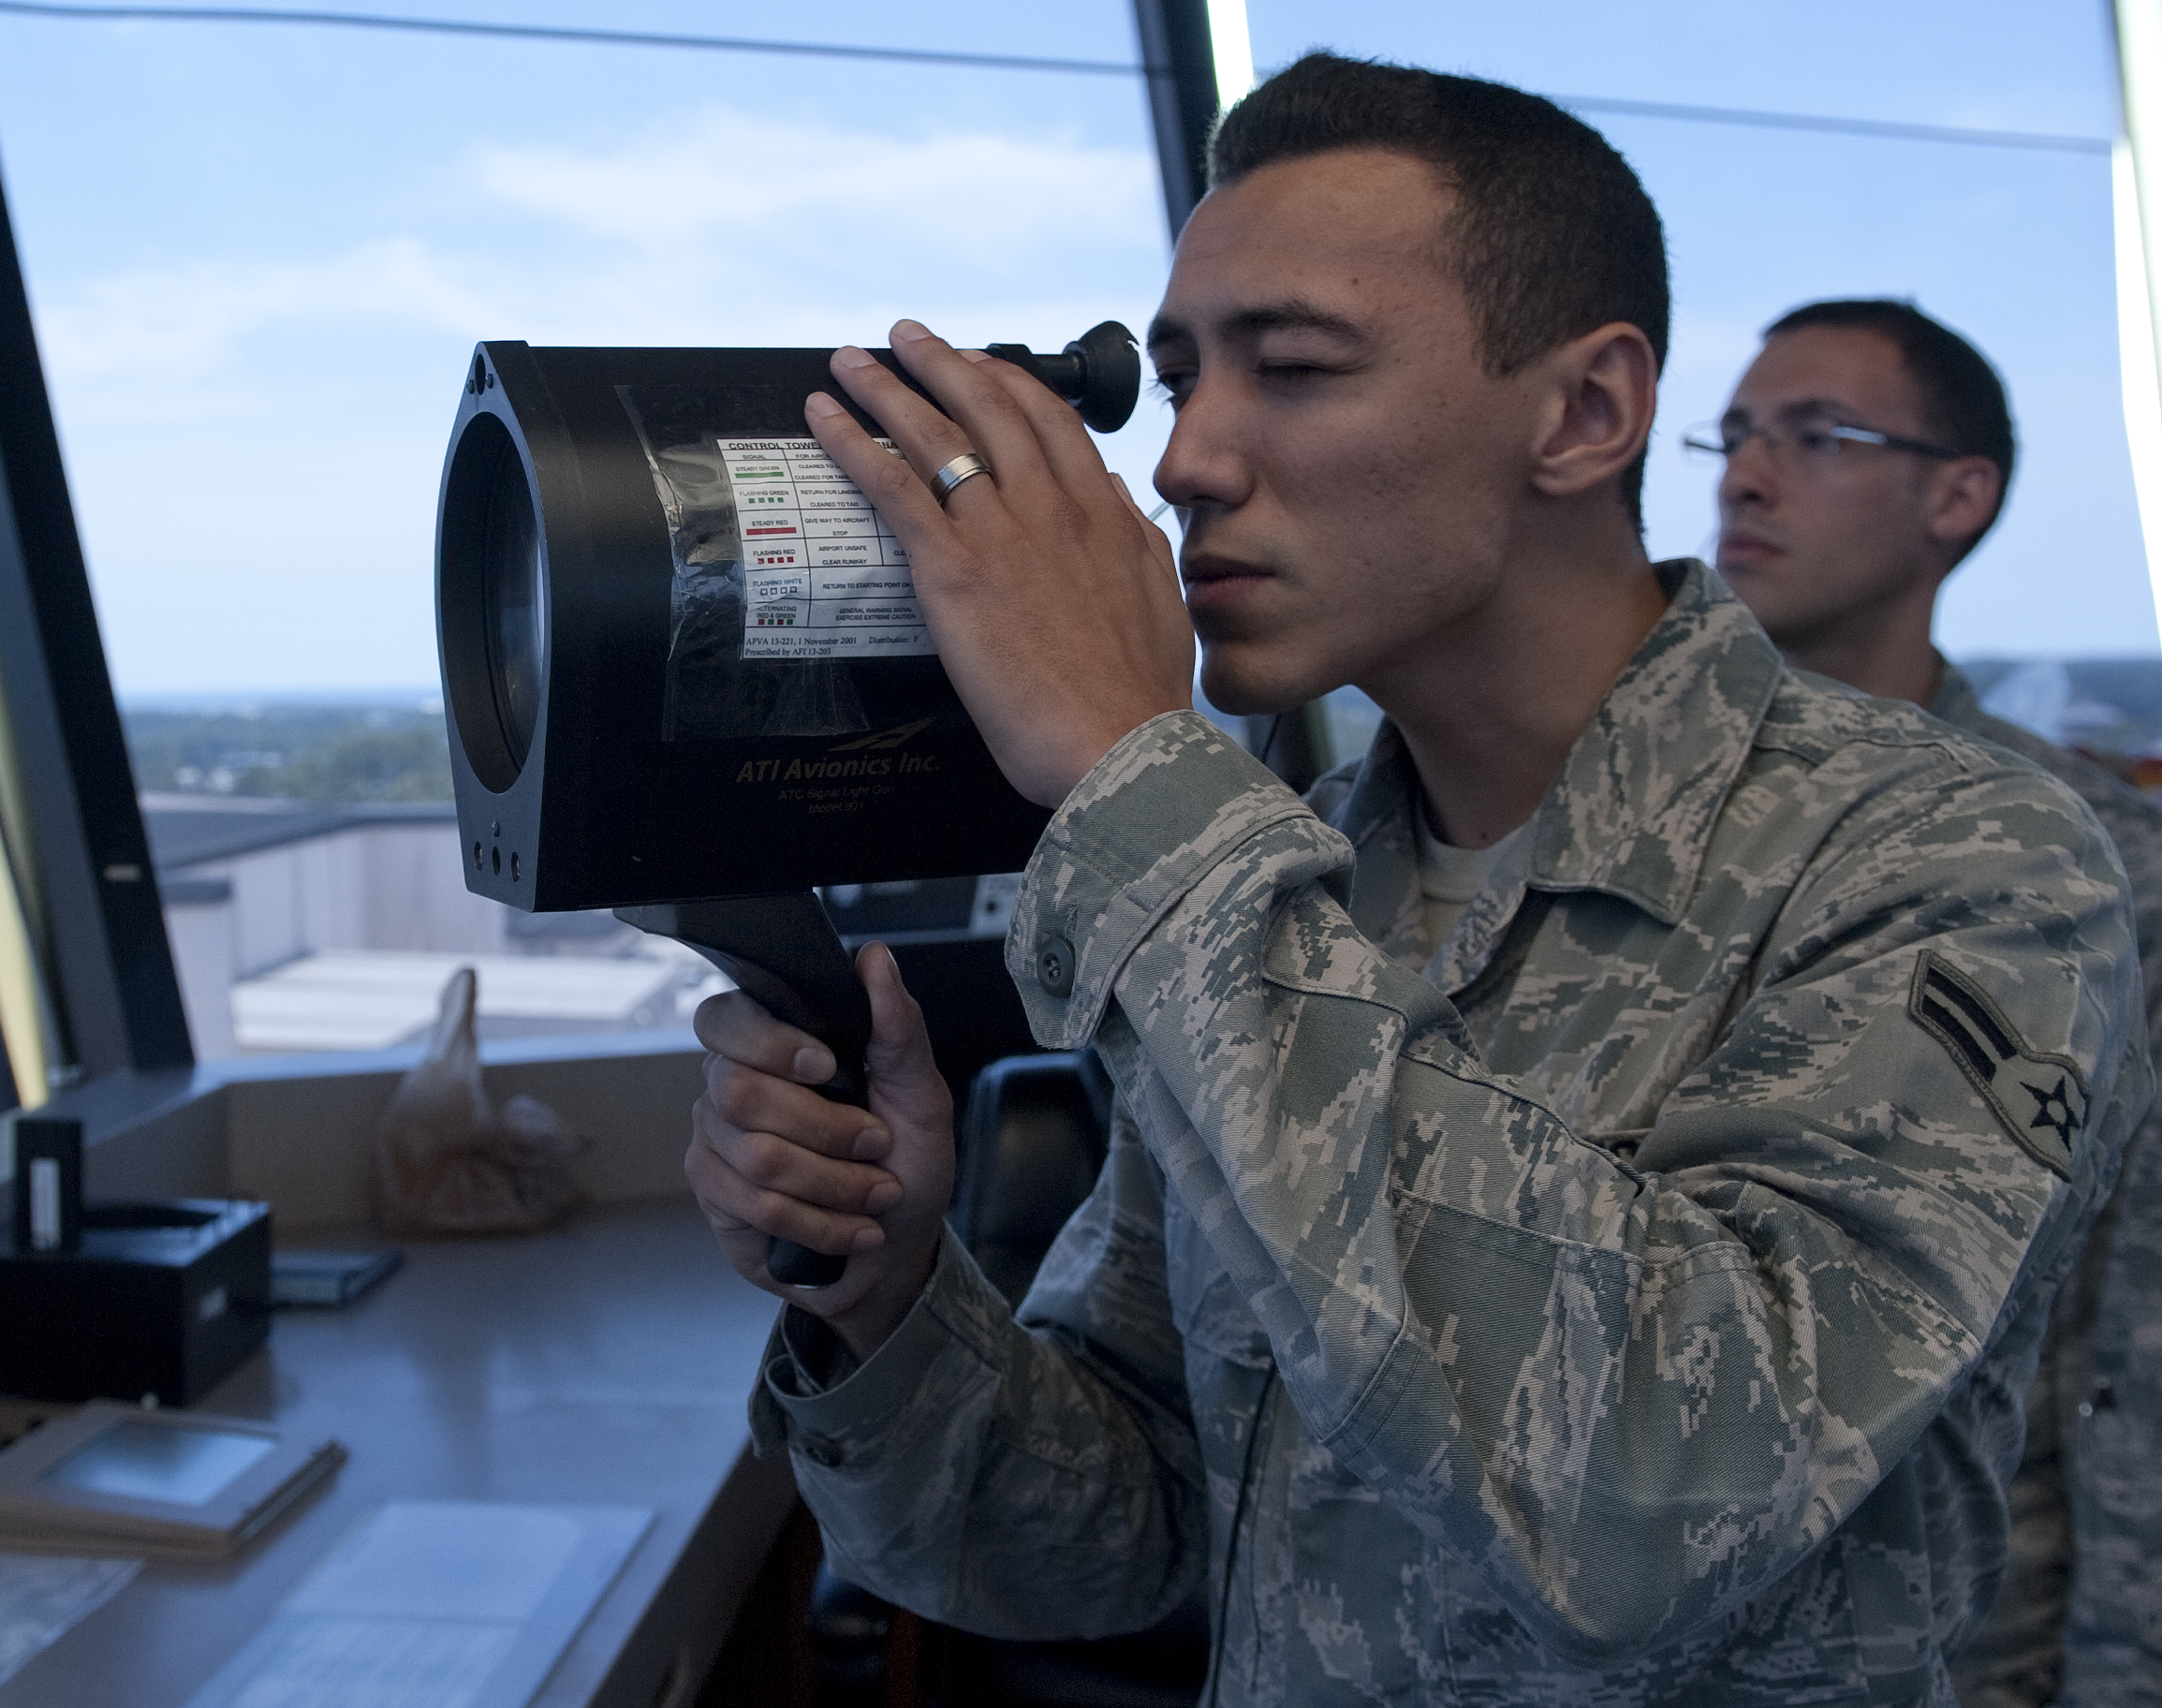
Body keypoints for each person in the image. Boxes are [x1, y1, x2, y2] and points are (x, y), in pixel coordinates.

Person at [684, 54, 2147, 1702]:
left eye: (1295, 370)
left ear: (1586, 414)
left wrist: (1126, 773)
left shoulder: (1952, 855)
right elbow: (1116, 1531)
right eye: (1178, 385)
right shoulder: (1289, 887)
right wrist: (888, 1299)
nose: (1188, 464)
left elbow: (1661, 1504)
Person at [1709, 298, 2162, 1705]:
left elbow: (2133, 1316)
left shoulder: (2087, 857)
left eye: (1817, 436)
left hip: (1971, 1627)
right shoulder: (1621, 833)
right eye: (1730, 436)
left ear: (1957, 498)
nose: (1745, 475)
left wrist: (2119, 1663)